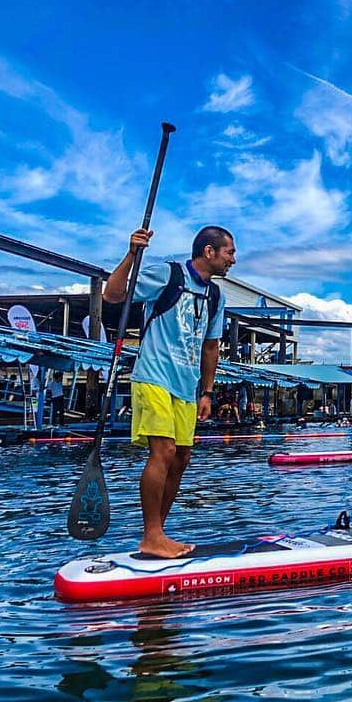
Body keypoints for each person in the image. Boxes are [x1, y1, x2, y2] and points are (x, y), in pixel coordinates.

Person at [104, 225, 234, 558]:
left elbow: (211, 346)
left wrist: (207, 392)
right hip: (154, 377)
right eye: (229, 252)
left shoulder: (216, 295)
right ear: (209, 252)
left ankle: (157, 534)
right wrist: (132, 253)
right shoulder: (168, 275)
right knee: (162, 451)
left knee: (181, 457)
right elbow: (113, 295)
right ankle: (151, 535)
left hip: (186, 387)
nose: (233, 260)